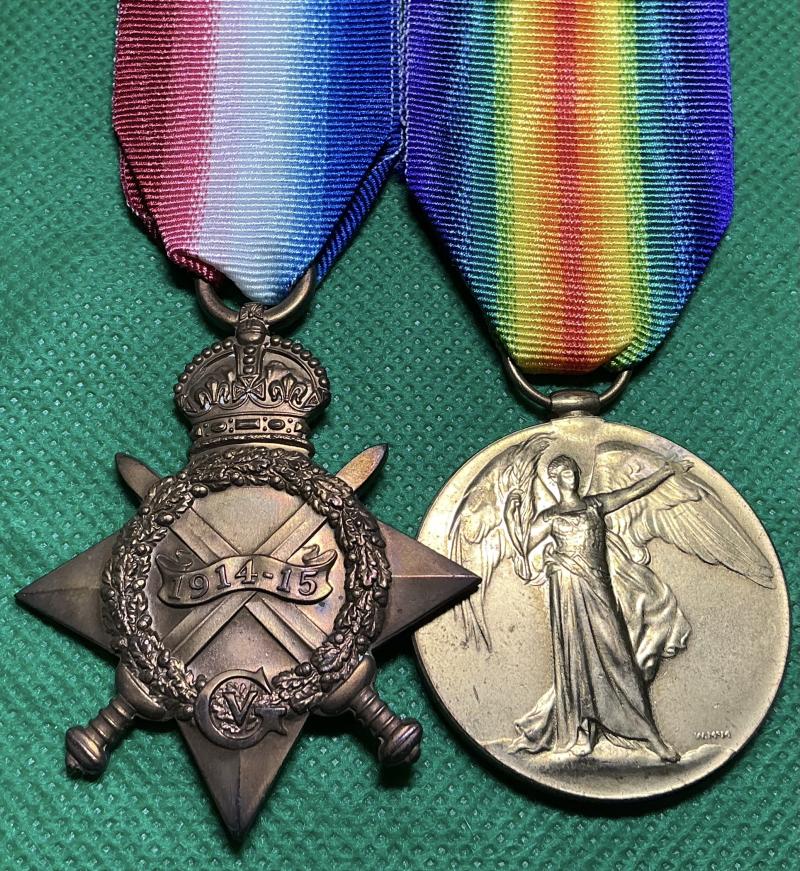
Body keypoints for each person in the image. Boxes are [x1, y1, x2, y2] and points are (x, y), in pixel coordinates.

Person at [503, 454, 691, 762]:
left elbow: (633, 491)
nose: (572, 477)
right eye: (565, 473)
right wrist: (511, 517)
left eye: (573, 472)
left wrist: (666, 471)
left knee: (619, 656)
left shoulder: (595, 505)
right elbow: (523, 546)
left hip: (597, 587)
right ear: (555, 479)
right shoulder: (550, 517)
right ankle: (585, 729)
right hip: (567, 588)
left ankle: (649, 734)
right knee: (576, 656)